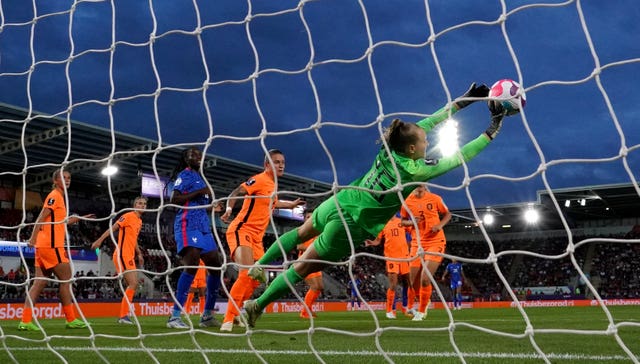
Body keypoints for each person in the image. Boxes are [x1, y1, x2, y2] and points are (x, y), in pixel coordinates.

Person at [243, 83, 509, 328]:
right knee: (303, 267)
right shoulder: (415, 172)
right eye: (424, 141)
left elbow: (432, 120)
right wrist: (493, 129)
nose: (427, 140)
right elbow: (461, 155)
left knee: (300, 233)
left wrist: (465, 99)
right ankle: (257, 305)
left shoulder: (390, 147)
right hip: (351, 225)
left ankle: (260, 265)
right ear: (413, 150)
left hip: (341, 200)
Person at [219, 148, 304, 332]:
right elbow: (236, 192)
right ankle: (228, 318)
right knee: (246, 274)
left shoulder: (273, 186)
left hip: (257, 239)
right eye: (276, 161)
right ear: (267, 165)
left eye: (282, 162)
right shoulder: (259, 179)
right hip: (242, 230)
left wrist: (291, 205)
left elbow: (274, 203)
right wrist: (228, 209)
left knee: (257, 279)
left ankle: (235, 315)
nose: (280, 165)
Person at [18, 169, 95, 331]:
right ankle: (71, 319)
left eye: (69, 178)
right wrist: (32, 238)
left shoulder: (60, 197)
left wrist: (79, 218)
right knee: (66, 280)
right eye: (63, 177)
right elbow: (40, 217)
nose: (67, 180)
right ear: (55, 181)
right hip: (52, 246)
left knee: (39, 283)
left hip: (43, 246)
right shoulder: (54, 196)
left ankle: (25, 321)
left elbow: (59, 222)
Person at [166, 147, 223, 329]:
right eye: (192, 155)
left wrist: (213, 206)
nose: (196, 157)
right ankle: (175, 317)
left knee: (216, 266)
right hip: (187, 224)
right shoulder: (185, 175)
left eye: (199, 155)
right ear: (186, 158)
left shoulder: (201, 177)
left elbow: (199, 204)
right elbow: (174, 199)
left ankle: (206, 315)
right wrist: (199, 192)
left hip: (204, 226)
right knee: (192, 263)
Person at [91, 196, 147, 324]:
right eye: (139, 203)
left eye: (144, 204)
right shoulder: (128, 216)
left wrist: (139, 253)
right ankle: (123, 316)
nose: (142, 205)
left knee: (134, 284)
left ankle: (124, 315)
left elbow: (134, 240)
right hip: (122, 254)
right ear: (134, 205)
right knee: (133, 283)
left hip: (130, 255)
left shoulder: (139, 221)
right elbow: (113, 228)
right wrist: (99, 240)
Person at [401, 185, 451, 321]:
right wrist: (411, 222)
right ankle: (424, 300)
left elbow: (448, 214)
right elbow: (402, 222)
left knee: (425, 278)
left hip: (436, 242)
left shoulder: (435, 198)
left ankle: (421, 311)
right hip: (417, 244)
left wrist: (439, 225)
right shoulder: (407, 201)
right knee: (412, 282)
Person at [365, 213, 411, 319]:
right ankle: (390, 310)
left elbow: (411, 231)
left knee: (407, 283)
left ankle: (405, 307)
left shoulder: (401, 221)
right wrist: (371, 242)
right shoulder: (383, 225)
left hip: (405, 257)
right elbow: (377, 241)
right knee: (393, 285)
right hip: (391, 258)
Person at [297, 209, 324, 319]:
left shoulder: (318, 231)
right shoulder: (302, 231)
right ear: (304, 219)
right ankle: (304, 312)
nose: (310, 219)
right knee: (315, 286)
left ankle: (308, 309)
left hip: (315, 262)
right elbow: (299, 246)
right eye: (308, 217)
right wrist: (315, 249)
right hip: (305, 261)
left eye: (311, 217)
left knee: (320, 287)